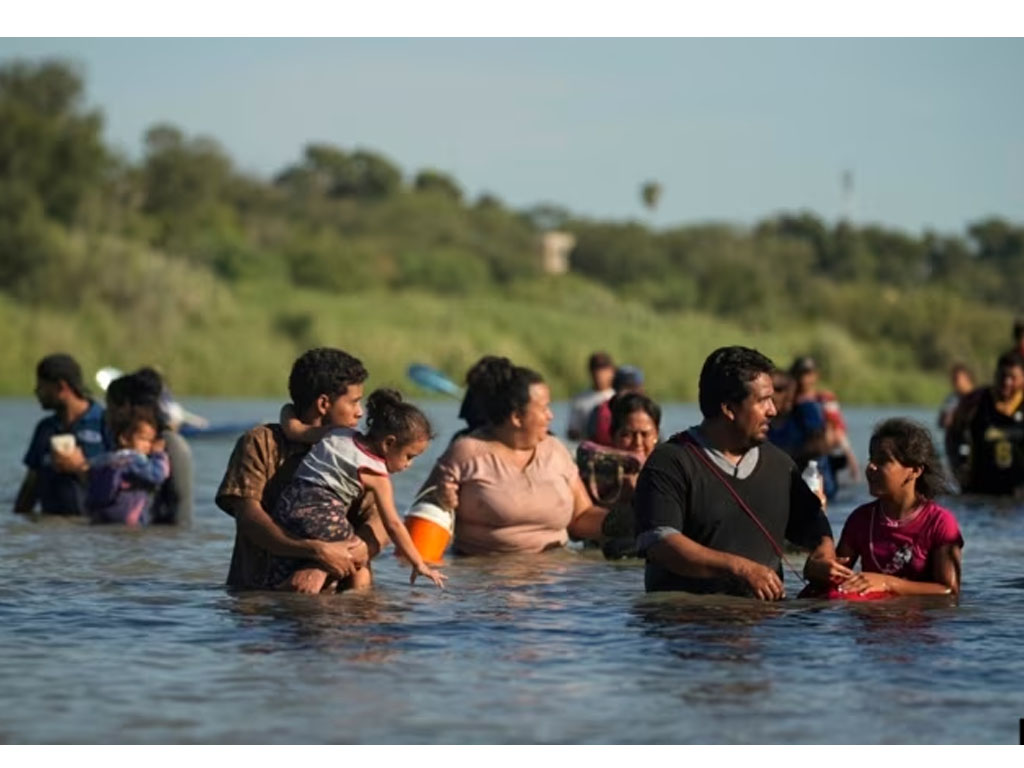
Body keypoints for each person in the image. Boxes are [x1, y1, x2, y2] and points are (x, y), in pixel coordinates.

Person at [634, 346, 844, 599]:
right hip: (687, 626)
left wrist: (824, 553)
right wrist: (740, 568)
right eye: (762, 400)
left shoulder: (780, 464)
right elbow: (661, 544)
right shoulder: (670, 462)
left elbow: (814, 525)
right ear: (729, 409)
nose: (773, 410)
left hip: (764, 627)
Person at [215, 348, 387, 593]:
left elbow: (381, 524)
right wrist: (314, 550)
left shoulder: (355, 452)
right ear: (323, 404)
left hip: (336, 603)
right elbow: (250, 519)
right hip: (260, 598)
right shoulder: (261, 443)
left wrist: (324, 565)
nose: (360, 412)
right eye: (354, 402)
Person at [420, 356, 609, 555]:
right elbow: (421, 518)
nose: (551, 415)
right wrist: (439, 501)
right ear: (517, 417)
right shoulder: (465, 453)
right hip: (482, 577)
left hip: (556, 580)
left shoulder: (556, 450)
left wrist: (628, 521)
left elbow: (581, 517)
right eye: (544, 408)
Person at [268, 389, 445, 592]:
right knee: (355, 553)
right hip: (321, 514)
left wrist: (287, 409)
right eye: (409, 456)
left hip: (286, 505)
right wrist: (419, 564)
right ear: (388, 443)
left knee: (283, 566)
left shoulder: (338, 432)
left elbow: (294, 430)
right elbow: (394, 525)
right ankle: (358, 605)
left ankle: (277, 593)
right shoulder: (376, 474)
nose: (408, 465)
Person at [831, 418, 963, 596]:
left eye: (883, 460)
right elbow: (836, 576)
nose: (871, 467)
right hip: (872, 620)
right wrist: (817, 568)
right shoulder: (861, 518)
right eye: (871, 458)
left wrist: (887, 583)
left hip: (920, 620)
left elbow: (949, 590)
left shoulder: (940, 522)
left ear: (915, 471)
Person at [15, 354, 111, 516]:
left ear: (61, 387)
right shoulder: (45, 428)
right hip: (51, 531)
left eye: (41, 386)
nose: (36, 392)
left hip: (91, 531)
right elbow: (30, 486)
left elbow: (121, 485)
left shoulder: (105, 423)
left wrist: (81, 469)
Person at [580, 392, 662, 559]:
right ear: (613, 435)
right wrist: (618, 498)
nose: (637, 442)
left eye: (645, 434)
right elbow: (581, 525)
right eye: (627, 434)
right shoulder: (594, 477)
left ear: (656, 435)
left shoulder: (671, 472)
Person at [946, 351, 1024, 496]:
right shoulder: (975, 401)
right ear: (996, 375)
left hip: (1019, 492)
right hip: (980, 489)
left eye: (1013, 378)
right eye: (1003, 376)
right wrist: (958, 468)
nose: (1007, 382)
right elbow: (953, 434)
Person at [85, 403, 171, 526]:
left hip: (100, 516)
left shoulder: (106, 459)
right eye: (144, 439)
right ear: (124, 438)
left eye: (151, 441)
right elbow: (158, 474)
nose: (149, 445)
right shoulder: (133, 460)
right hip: (129, 518)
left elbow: (88, 469)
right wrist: (158, 455)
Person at [790, 356, 859, 490]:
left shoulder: (824, 399)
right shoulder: (788, 400)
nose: (804, 379)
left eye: (808, 374)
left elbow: (838, 428)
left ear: (816, 375)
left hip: (820, 455)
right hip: (797, 452)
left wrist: (850, 457)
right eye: (801, 374)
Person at [767, 369, 832, 494]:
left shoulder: (806, 410)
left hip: (815, 488)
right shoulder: (761, 420)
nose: (771, 395)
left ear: (791, 392)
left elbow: (820, 446)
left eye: (777, 389)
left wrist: (778, 457)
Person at [587, 364, 645, 446]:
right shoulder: (599, 411)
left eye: (634, 388)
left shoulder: (649, 412)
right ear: (615, 389)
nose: (631, 393)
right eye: (626, 388)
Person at [566, 351, 615, 441]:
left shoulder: (617, 397)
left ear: (612, 372)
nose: (600, 375)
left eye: (603, 370)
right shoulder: (580, 399)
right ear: (591, 372)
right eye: (596, 370)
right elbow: (572, 431)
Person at [937, 363, 975, 431]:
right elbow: (941, 422)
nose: (954, 382)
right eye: (953, 379)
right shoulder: (951, 398)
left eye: (956, 379)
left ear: (967, 378)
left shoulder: (979, 397)